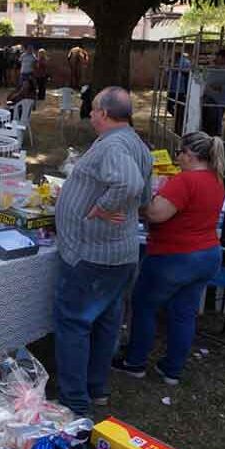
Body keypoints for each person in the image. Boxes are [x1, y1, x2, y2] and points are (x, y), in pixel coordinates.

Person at [53, 87, 153, 416]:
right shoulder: (136, 143)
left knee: (74, 324)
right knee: (106, 322)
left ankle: (74, 402)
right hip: (118, 253)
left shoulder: (114, 145)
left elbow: (130, 185)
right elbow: (144, 197)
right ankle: (97, 389)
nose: (91, 114)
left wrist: (100, 208)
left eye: (94, 109)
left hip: (92, 255)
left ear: (106, 115)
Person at [113, 132, 225, 385]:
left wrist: (140, 204)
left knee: (144, 306)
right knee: (184, 313)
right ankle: (172, 370)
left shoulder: (185, 181)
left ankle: (135, 362)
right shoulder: (216, 179)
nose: (176, 157)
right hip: (208, 254)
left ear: (190, 154)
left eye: (179, 152)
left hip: (175, 256)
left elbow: (156, 214)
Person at [202, 49, 225, 137]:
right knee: (205, 124)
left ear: (223, 58)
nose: (216, 58)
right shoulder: (213, 68)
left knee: (213, 125)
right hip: (207, 99)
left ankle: (214, 143)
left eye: (218, 56)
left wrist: (218, 87)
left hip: (217, 102)